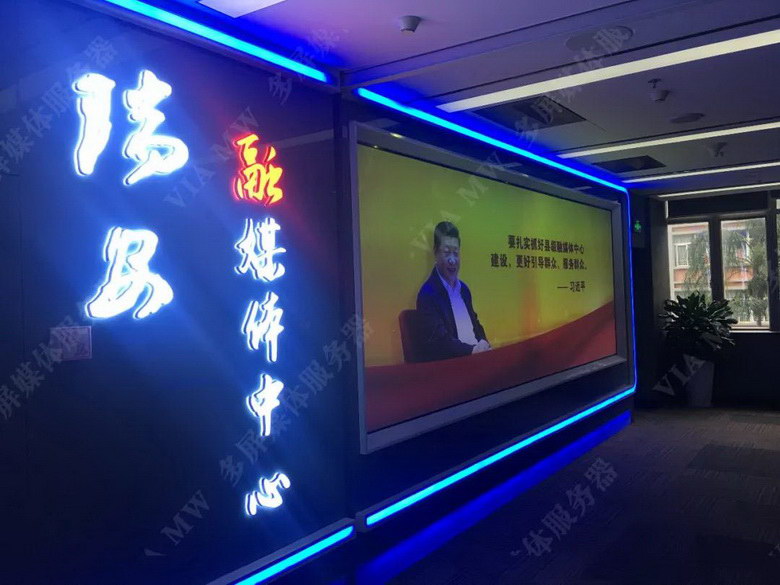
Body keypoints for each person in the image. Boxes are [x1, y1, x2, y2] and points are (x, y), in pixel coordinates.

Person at [416, 221, 490, 362]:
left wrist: (484, 343)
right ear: (436, 253)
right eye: (446, 252)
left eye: (456, 253)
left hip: (478, 359)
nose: (452, 260)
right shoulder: (427, 294)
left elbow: (476, 325)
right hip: (455, 364)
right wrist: (473, 351)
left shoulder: (464, 290)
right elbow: (440, 342)